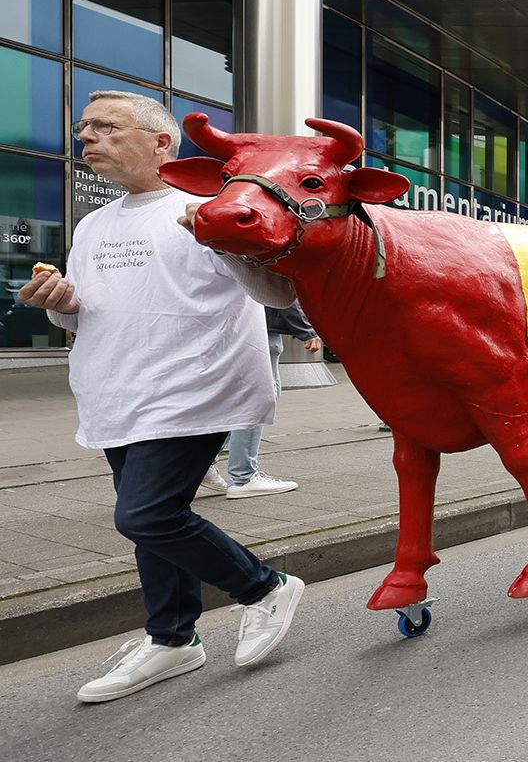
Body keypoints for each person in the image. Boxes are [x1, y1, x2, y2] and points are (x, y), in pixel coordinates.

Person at [14, 90, 305, 702]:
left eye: (105, 127)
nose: (85, 138)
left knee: (145, 514)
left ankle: (264, 587)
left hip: (193, 387)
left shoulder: (211, 206)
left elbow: (279, 295)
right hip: (115, 390)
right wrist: (62, 305)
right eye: (82, 129)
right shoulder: (94, 223)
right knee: (152, 524)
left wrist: (228, 241)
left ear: (161, 142)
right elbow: (86, 313)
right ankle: (172, 638)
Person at [203, 301, 319, 498]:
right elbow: (276, 288)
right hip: (259, 327)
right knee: (259, 398)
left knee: (242, 399)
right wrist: (306, 330)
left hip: (234, 325)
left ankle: (202, 463)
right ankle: (244, 477)